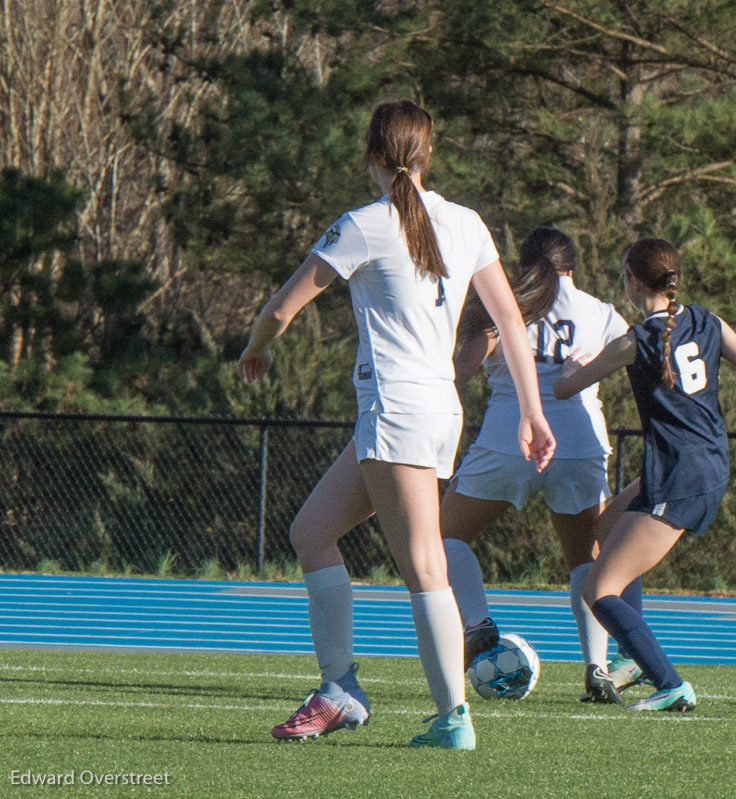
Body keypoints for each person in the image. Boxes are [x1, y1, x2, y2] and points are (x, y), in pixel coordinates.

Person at [237, 100, 555, 749]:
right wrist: (532, 409)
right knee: (312, 531)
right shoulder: (466, 222)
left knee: (423, 563)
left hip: (398, 409)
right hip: (436, 409)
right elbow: (512, 324)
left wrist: (256, 349)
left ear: (371, 156)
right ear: (427, 154)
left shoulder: (364, 223)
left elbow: (282, 306)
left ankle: (452, 717)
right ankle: (340, 689)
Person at [553, 237, 736, 712]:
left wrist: (571, 364)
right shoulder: (708, 321)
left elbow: (566, 389)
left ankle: (669, 684)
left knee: (596, 589)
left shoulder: (633, 342)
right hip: (700, 462)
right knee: (604, 531)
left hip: (680, 473)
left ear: (631, 279)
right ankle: (634, 655)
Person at [439, 226, 630, 704]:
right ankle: (598, 668)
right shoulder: (600, 311)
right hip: (579, 444)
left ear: (523, 266)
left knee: (443, 535)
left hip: (510, 438)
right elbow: (637, 355)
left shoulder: (504, 305)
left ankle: (479, 623)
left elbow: (456, 375)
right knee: (584, 561)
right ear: (573, 268)